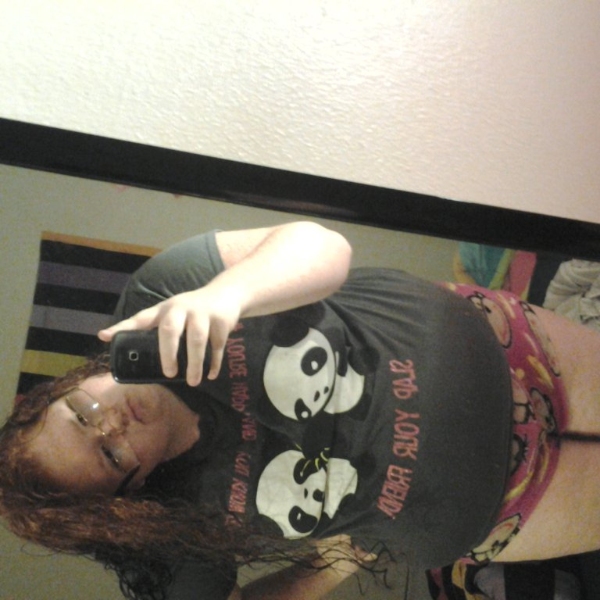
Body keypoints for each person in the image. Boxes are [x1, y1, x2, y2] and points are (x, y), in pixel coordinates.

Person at [1, 221, 600, 600]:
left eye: (81, 412)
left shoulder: (157, 298)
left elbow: (321, 246)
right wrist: (333, 564)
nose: (112, 423)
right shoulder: (175, 533)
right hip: (507, 507)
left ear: (59, 390)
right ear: (129, 497)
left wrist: (228, 294)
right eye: (110, 455)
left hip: (502, 349)